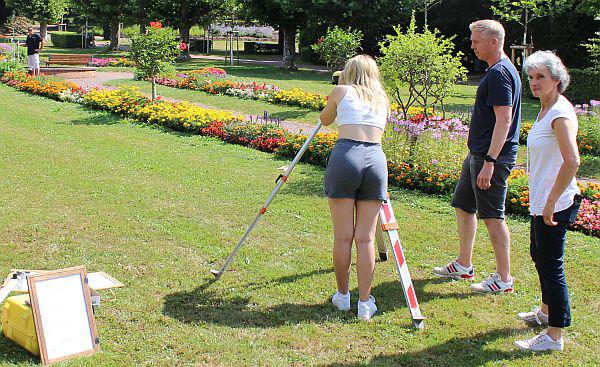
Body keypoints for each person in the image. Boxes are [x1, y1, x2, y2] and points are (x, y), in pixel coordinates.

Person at [433, 19, 522, 293]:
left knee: (493, 217)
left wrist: (490, 162)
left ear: (494, 41)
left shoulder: (499, 74)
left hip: (490, 159)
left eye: (476, 41)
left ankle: (504, 279)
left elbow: (504, 120)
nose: (471, 46)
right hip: (478, 155)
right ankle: (464, 264)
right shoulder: (498, 70)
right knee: (463, 205)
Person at [514, 50, 581, 352]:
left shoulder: (559, 114)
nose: (534, 82)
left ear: (556, 79)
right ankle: (545, 312)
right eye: (530, 77)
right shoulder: (544, 109)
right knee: (539, 256)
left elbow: (572, 161)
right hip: (543, 201)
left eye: (541, 76)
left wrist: (552, 201)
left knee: (551, 265)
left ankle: (555, 335)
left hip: (557, 203)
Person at [320, 55, 390, 321]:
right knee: (366, 238)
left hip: (346, 155)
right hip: (375, 159)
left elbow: (325, 120)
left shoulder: (340, 90)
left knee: (343, 237)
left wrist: (334, 97)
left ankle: (342, 296)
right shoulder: (381, 98)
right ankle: (364, 302)